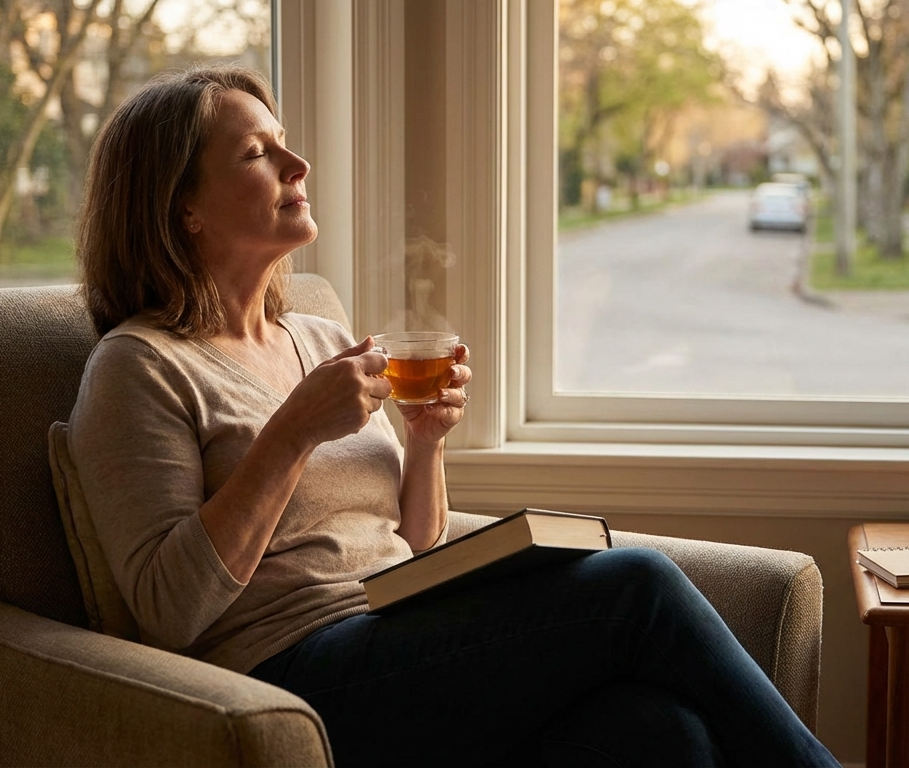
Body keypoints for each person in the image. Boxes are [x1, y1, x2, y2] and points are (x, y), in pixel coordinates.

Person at [66, 65, 840, 768]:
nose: (297, 166)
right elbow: (170, 610)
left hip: (396, 631)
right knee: (636, 583)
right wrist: (294, 431)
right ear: (184, 207)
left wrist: (425, 443)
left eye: (286, 145)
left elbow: (414, 541)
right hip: (293, 672)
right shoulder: (139, 367)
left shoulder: (318, 337)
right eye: (256, 154)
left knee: (664, 732)